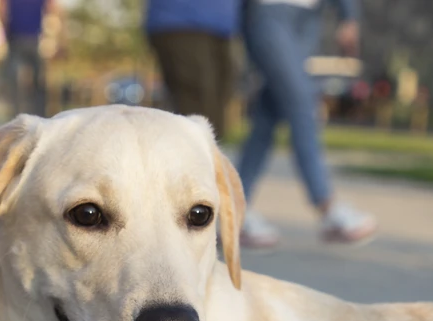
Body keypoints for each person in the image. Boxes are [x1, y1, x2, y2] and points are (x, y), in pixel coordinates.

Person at [235, 0, 377, 248]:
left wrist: (348, 16)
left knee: (266, 119)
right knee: (302, 102)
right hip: (268, 11)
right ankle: (327, 206)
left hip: (308, 19)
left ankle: (235, 209)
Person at [144, 0, 240, 142]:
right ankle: (187, 160)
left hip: (222, 26)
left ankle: (205, 160)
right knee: (197, 110)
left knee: (216, 113)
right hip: (180, 21)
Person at [1, 0, 60, 118]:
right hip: (30, 39)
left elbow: (2, 12)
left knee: (19, 80)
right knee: (37, 80)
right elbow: (54, 10)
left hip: (23, 39)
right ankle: (39, 115)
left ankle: (18, 115)